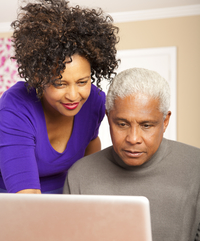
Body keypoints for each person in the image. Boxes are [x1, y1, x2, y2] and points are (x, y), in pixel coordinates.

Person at [63, 68, 200, 241]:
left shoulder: (196, 166)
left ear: (165, 121)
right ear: (108, 119)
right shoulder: (80, 175)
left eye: (146, 125)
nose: (133, 138)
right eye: (122, 124)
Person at [0, 0, 119, 194]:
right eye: (60, 83)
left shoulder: (95, 101)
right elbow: (27, 199)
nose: (73, 96)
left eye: (82, 82)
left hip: (64, 198)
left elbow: (91, 147)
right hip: (15, 206)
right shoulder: (16, 106)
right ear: (39, 78)